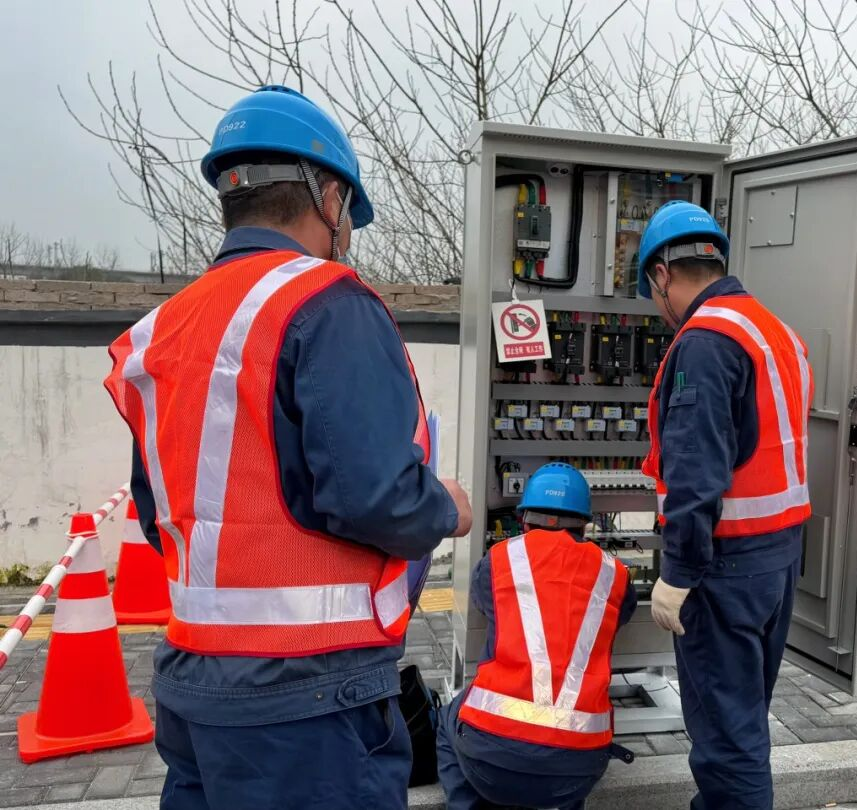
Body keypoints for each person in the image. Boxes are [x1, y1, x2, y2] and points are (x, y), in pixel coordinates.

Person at [102, 85, 473, 810]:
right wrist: (447, 507)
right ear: (330, 198)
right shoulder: (327, 301)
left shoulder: (162, 331)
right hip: (309, 698)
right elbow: (378, 497)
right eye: (348, 215)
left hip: (192, 684)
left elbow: (158, 513)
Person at [637, 201, 814, 809]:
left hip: (724, 570)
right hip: (777, 562)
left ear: (663, 274)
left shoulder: (706, 341)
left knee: (727, 743)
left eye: (653, 292)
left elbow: (696, 470)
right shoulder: (775, 331)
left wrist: (678, 574)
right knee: (742, 718)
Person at [436, 463, 638, 810]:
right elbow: (621, 615)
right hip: (578, 769)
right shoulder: (614, 574)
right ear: (585, 524)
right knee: (566, 762)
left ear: (524, 520)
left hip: (491, 760)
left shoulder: (499, 559)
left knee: (446, 719)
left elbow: (486, 604)